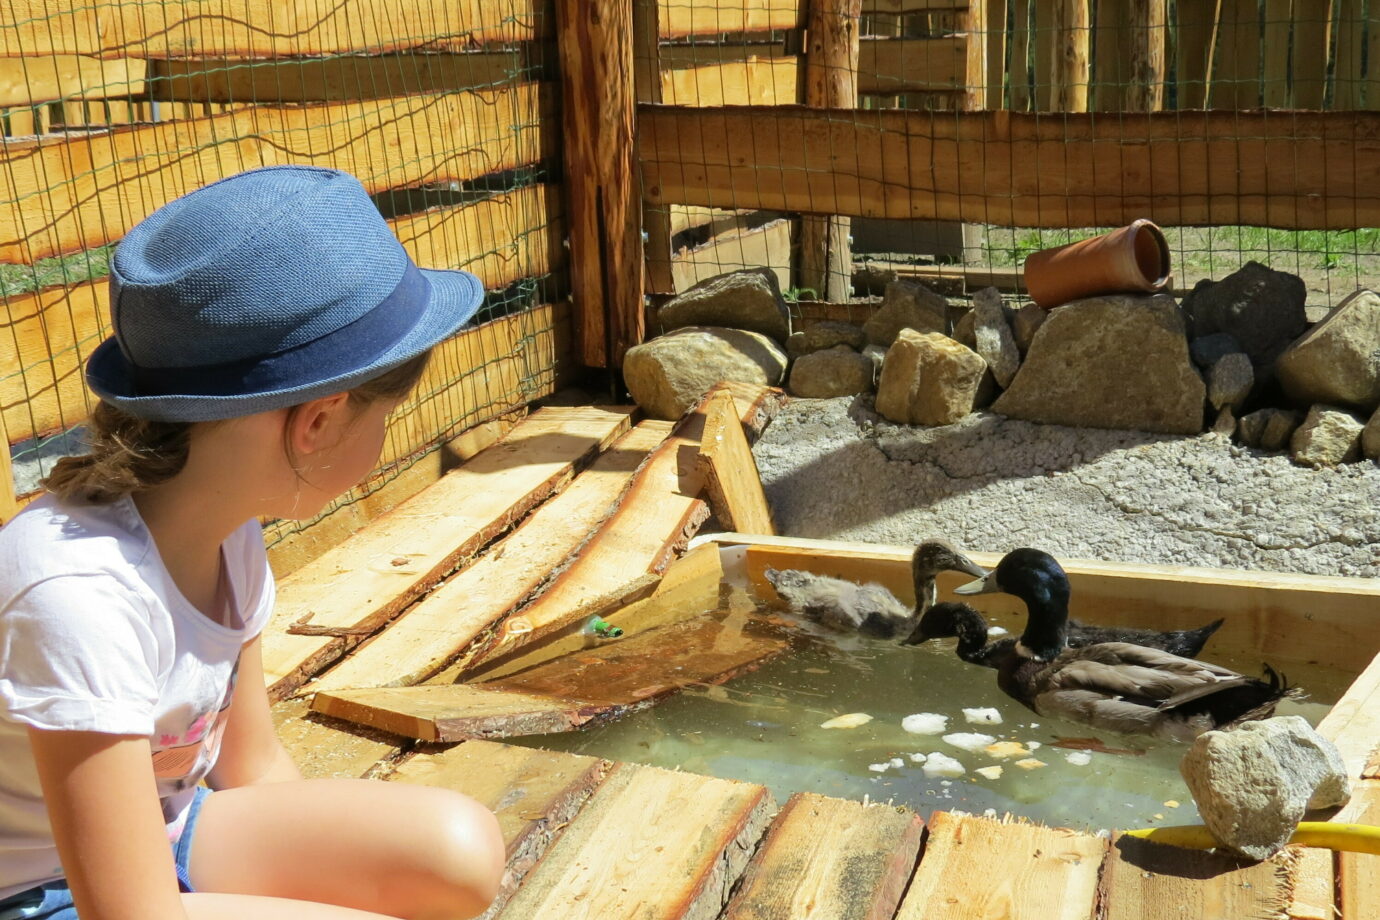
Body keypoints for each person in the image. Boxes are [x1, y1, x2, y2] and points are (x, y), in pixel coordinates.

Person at [0, 166, 506, 919]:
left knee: (459, 850)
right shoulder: (77, 596)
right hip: (43, 895)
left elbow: (254, 766)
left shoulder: (224, 531)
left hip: (166, 833)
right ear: (319, 421)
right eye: (384, 416)